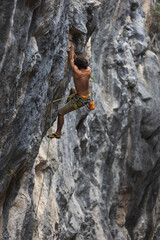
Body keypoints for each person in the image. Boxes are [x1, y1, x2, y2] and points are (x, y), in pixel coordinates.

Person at [48, 40, 95, 139]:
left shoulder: (77, 72)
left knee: (60, 112)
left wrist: (72, 47)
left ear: (78, 66)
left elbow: (71, 60)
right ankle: (69, 102)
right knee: (72, 89)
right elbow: (75, 60)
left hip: (79, 101)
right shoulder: (88, 70)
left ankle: (58, 133)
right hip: (86, 96)